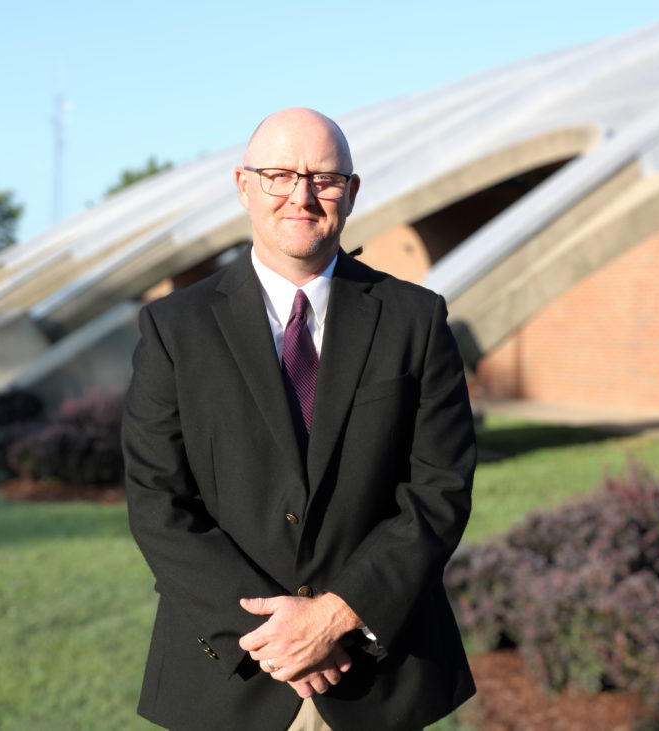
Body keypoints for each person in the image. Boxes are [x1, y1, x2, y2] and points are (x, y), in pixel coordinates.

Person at [122, 107, 476, 730]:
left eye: (324, 179)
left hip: (377, 675)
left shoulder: (414, 321)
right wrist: (274, 637)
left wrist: (338, 615)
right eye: (279, 175)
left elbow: (439, 489)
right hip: (226, 680)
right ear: (244, 186)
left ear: (352, 191)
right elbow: (158, 504)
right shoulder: (174, 329)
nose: (301, 196)